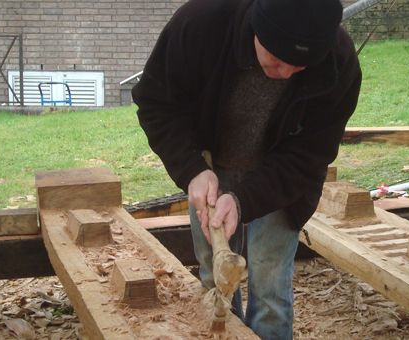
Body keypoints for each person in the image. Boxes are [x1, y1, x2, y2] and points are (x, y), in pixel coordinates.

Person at [133, 0, 361, 338]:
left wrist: (242, 200)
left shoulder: (338, 62)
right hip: (211, 166)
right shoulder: (201, 24)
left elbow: (308, 156)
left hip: (282, 181)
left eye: (299, 67)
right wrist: (192, 169)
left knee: (270, 288)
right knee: (215, 277)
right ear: (258, 27)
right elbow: (156, 103)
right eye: (277, 58)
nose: (285, 73)